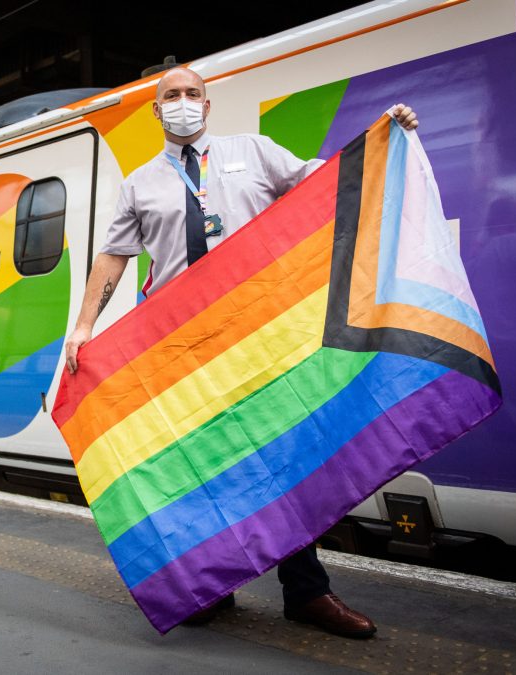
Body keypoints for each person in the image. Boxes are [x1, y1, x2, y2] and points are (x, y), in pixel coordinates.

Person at [63, 66, 419, 639]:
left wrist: (383, 138)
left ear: (207, 105)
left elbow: (323, 181)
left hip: (258, 335)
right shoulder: (140, 184)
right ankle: (215, 584)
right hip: (181, 341)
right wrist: (82, 327)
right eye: (170, 97)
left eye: (191, 94)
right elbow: (114, 257)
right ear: (156, 112)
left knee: (282, 459)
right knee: (202, 463)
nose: (182, 103)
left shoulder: (253, 152)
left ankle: (307, 593)